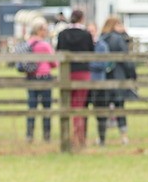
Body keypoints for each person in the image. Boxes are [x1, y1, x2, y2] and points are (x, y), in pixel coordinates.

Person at [55, 9, 95, 147]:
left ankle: (70, 136)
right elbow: (91, 52)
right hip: (83, 73)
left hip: (66, 73)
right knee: (79, 106)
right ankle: (78, 138)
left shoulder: (62, 34)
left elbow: (58, 50)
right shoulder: (86, 35)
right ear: (82, 19)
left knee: (67, 105)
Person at [94, 16, 133, 146]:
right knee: (120, 107)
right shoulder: (119, 39)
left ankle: (102, 137)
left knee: (103, 107)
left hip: (103, 78)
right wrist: (131, 76)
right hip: (118, 76)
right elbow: (126, 59)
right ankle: (123, 136)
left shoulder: (100, 38)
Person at [22, 18, 56, 142]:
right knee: (46, 107)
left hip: (31, 78)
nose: (46, 32)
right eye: (45, 29)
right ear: (39, 30)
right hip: (45, 77)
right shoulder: (45, 45)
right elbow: (54, 62)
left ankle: (29, 135)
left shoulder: (27, 44)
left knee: (32, 107)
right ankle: (46, 136)